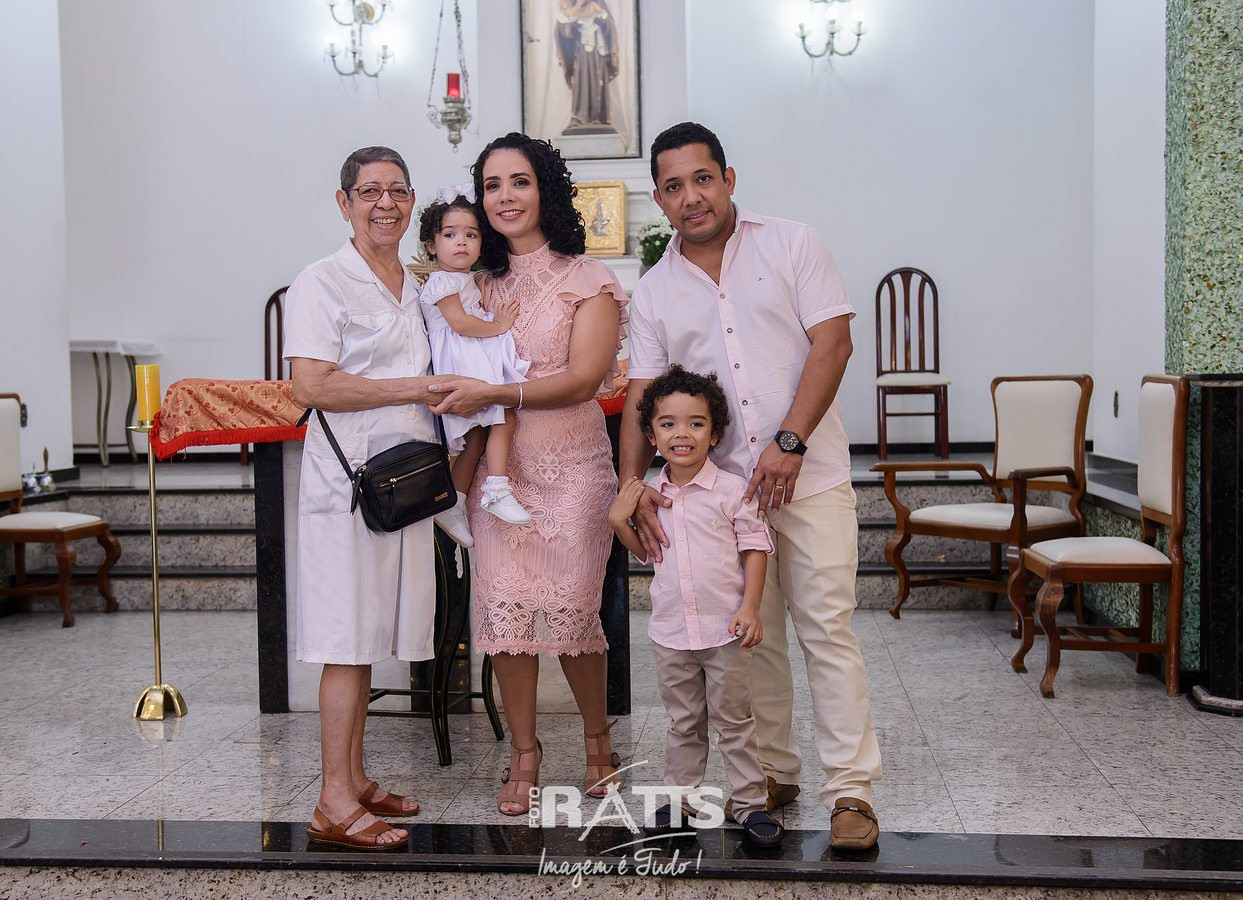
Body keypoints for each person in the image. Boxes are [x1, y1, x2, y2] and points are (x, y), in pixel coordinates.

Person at [620, 122, 884, 850]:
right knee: (750, 639)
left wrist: (789, 443)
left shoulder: (793, 244)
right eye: (673, 186)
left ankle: (851, 791)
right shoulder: (654, 292)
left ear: (728, 179)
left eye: (702, 178)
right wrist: (630, 486)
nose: (691, 197)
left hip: (811, 476)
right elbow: (643, 395)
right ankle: (772, 771)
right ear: (659, 199)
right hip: (723, 498)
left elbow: (834, 342)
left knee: (826, 630)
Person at [429, 132, 628, 816]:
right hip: (499, 475)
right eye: (491, 185)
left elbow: (584, 379)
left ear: (546, 189)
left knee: (571, 611)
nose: (504, 197)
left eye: (519, 181)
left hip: (572, 468)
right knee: (504, 613)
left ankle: (598, 743)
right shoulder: (474, 282)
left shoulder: (589, 279)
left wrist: (493, 393)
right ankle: (523, 752)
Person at [285, 146, 444, 851]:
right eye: (371, 191)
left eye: (398, 191)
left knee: (376, 631)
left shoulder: (416, 283)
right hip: (349, 484)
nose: (386, 203)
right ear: (344, 202)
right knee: (346, 640)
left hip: (406, 483)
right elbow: (312, 384)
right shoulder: (321, 281)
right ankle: (331, 802)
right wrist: (414, 388)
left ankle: (353, 778)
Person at [609, 365, 783, 849]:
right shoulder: (650, 495)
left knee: (734, 722)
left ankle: (750, 803)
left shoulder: (731, 490)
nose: (681, 434)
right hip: (671, 634)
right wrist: (619, 522)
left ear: (715, 433)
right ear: (651, 435)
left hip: (726, 631)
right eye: (668, 423)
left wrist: (750, 608)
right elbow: (647, 552)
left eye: (696, 423)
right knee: (683, 722)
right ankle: (679, 800)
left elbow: (755, 547)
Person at [418, 184, 532, 548]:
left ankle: (453, 500)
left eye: (471, 234)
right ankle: (497, 488)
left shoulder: (465, 279)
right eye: (450, 235)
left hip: (470, 355)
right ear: (432, 245)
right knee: (503, 416)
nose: (462, 242)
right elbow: (460, 324)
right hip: (461, 359)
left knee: (478, 436)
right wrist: (498, 325)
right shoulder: (441, 281)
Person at [555, 0, 619, 133]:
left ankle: (600, 117)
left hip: (598, 53)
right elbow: (564, 32)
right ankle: (580, 116)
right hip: (581, 54)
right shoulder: (571, 6)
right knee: (581, 82)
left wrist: (601, 19)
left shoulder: (598, 4)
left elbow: (609, 28)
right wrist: (576, 11)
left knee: (599, 82)